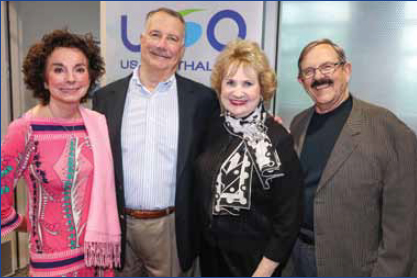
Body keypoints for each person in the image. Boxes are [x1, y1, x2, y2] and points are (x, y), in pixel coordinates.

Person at [92, 7, 220, 277]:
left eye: (172, 39)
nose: (162, 45)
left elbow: (219, 153)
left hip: (172, 229)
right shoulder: (106, 98)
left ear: (182, 49)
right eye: (155, 34)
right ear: (141, 39)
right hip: (118, 225)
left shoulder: (202, 100)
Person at [289, 38, 417, 276]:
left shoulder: (389, 129)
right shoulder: (298, 124)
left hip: (354, 267)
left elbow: (403, 225)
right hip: (297, 261)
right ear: (301, 81)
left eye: (327, 67)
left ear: (346, 70)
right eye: (309, 71)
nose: (319, 77)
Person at [1, 29, 121, 277]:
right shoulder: (25, 130)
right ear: (43, 79)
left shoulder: (96, 124)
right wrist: (34, 226)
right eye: (59, 69)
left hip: (98, 260)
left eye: (79, 69)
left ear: (90, 75)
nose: (71, 78)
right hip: (53, 265)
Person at [195, 39, 304, 277]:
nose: (237, 92)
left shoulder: (277, 139)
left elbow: (289, 217)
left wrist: (264, 271)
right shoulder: (213, 128)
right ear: (219, 86)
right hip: (211, 259)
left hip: (256, 265)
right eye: (230, 82)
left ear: (262, 89)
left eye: (248, 83)